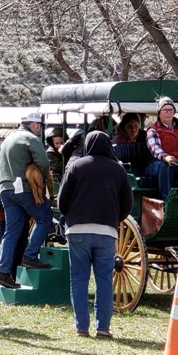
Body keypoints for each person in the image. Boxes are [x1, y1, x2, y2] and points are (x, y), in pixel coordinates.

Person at [58, 131, 133, 338]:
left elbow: (62, 201)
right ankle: (103, 328)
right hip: (106, 231)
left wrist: (71, 215)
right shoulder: (117, 170)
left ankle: (82, 327)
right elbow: (127, 204)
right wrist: (114, 218)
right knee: (104, 280)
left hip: (78, 230)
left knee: (79, 279)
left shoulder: (76, 166)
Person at [0, 112, 53, 289]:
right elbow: (43, 164)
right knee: (44, 218)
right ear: (34, 124)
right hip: (25, 190)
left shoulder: (7, 140)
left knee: (11, 233)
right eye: (39, 126)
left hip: (6, 190)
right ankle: (30, 256)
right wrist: (42, 184)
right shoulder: (31, 139)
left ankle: (3, 273)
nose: (40, 129)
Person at [0, 166, 28, 270]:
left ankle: (15, 281)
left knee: (20, 257)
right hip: (3, 220)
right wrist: (13, 208)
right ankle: (5, 278)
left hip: (22, 220)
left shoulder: (23, 172)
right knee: (10, 256)